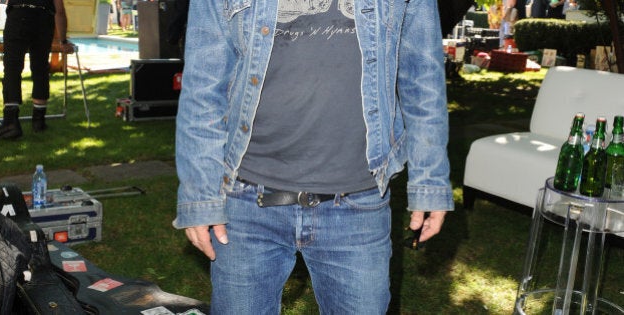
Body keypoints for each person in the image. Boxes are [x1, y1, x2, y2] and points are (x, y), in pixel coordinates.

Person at [174, 0, 454, 313]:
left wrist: (430, 181)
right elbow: (203, 89)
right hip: (244, 204)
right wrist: (200, 197)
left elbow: (423, 80)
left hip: (359, 204)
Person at [0, 0, 74, 140]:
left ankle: (10, 122)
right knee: (40, 68)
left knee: (12, 67)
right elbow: (59, 11)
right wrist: (63, 41)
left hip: (18, 15)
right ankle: (39, 121)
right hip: (44, 19)